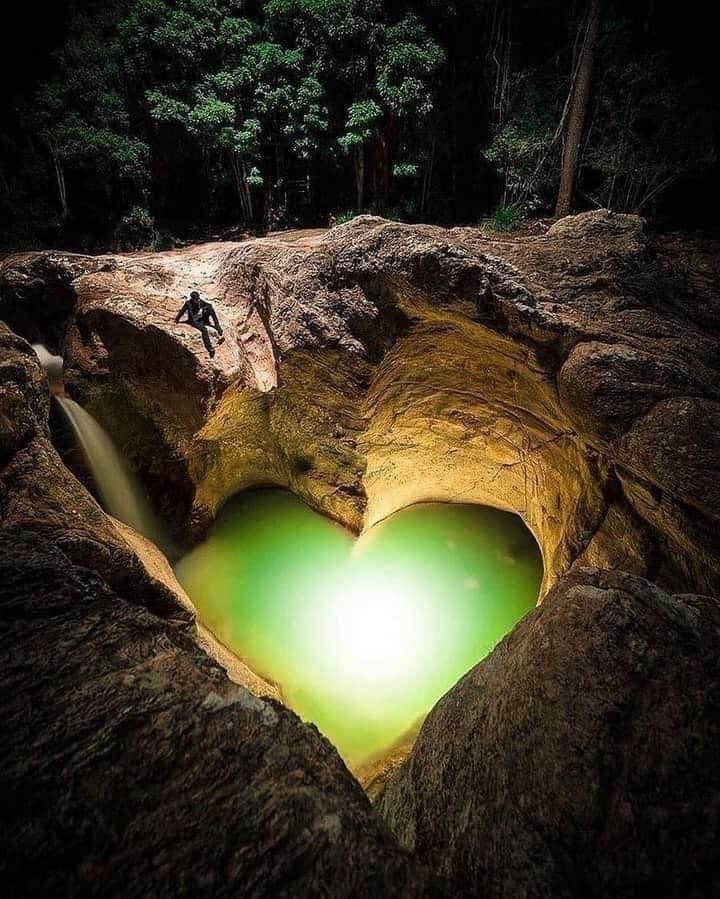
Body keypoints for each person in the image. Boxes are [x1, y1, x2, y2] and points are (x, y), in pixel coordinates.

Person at [175, 290, 224, 357]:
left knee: (210, 308)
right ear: (192, 299)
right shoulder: (188, 303)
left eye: (198, 298)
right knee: (204, 330)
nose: (198, 300)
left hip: (202, 319)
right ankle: (210, 348)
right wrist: (177, 319)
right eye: (196, 300)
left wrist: (207, 308)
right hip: (193, 320)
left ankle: (218, 327)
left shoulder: (200, 301)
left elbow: (207, 304)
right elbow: (182, 311)